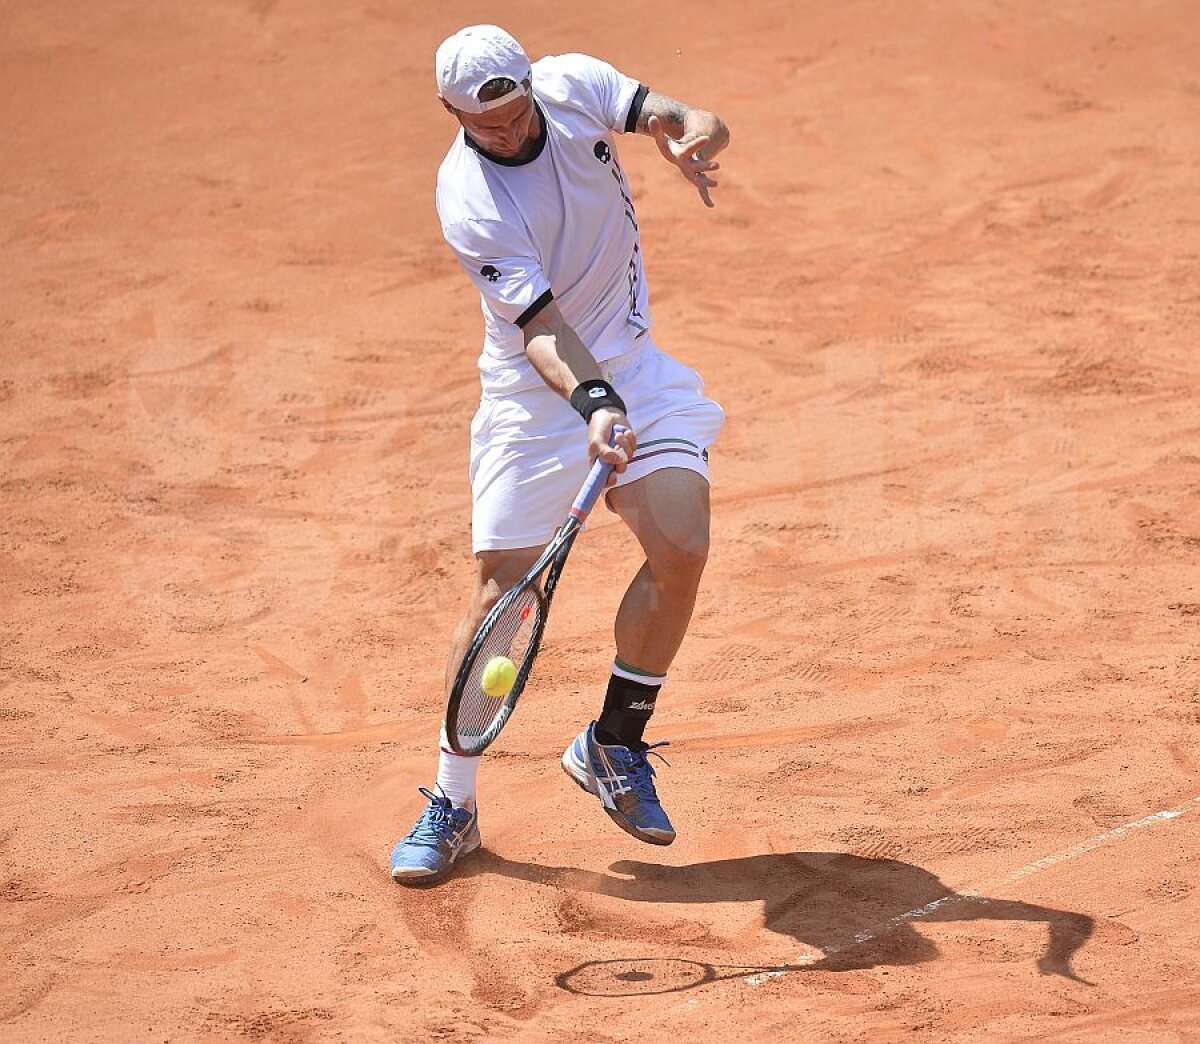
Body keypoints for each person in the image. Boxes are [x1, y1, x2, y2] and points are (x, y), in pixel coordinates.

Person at [390, 24, 730, 883]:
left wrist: (695, 131)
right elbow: (540, 329)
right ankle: (452, 802)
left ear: (529, 86)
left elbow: (668, 112)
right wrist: (594, 403)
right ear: (450, 112)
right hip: (534, 397)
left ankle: (613, 744)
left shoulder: (573, 82)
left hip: (636, 368)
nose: (505, 133)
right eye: (484, 123)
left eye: (513, 112)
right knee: (500, 592)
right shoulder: (468, 197)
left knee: (682, 544)